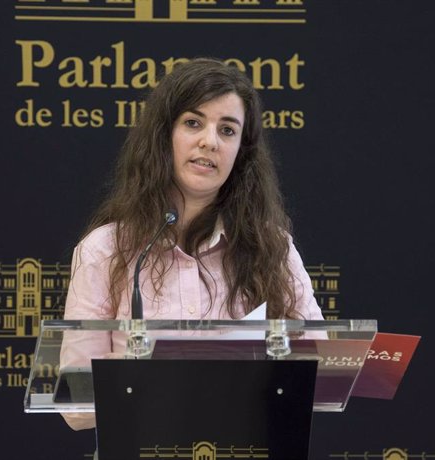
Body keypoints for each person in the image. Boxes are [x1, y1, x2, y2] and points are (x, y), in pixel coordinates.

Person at [61, 58, 323, 430]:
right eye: (193, 123)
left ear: (241, 152)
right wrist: (170, 382)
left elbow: (322, 370)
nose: (209, 141)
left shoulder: (273, 247)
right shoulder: (105, 249)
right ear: (164, 135)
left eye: (228, 130)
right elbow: (75, 406)